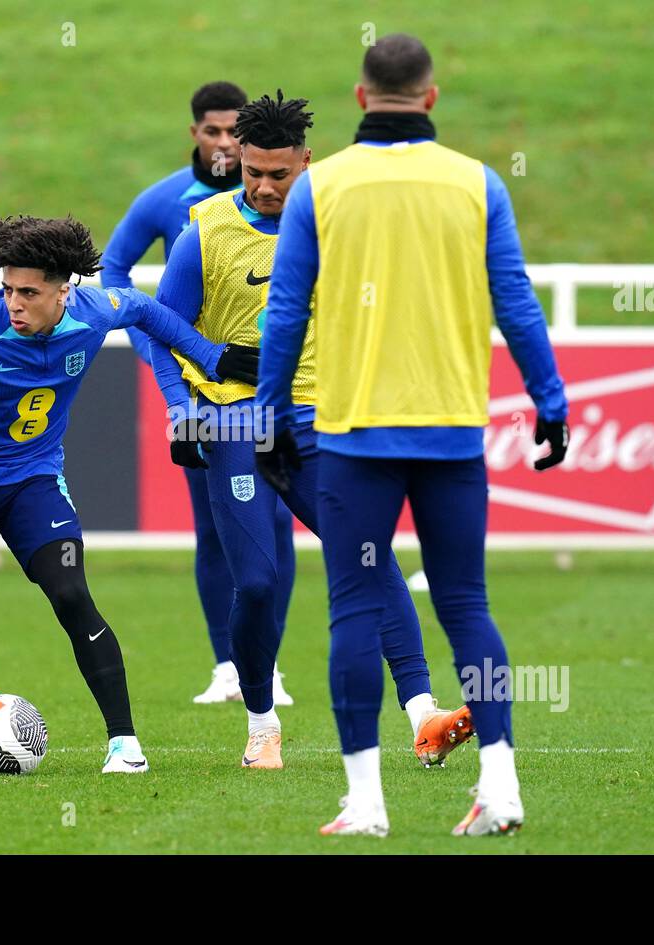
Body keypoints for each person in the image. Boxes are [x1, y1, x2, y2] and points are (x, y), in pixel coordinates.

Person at [256, 36, 569, 836]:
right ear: (431, 98)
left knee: (354, 607)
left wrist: (269, 416)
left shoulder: (319, 188)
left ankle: (365, 804)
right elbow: (516, 300)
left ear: (361, 100)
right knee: (467, 602)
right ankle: (502, 788)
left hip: (355, 435)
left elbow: (286, 312)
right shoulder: (477, 183)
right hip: (453, 431)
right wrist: (551, 401)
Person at [0, 214, 259, 775]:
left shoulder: (95, 311)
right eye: (7, 290)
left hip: (34, 479)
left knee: (72, 595)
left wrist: (210, 356)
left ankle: (124, 744)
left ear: (63, 291)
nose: (14, 303)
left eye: (28, 292)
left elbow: (145, 309)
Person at [151, 91, 474, 773]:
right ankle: (262, 721)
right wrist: (181, 403)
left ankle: (423, 715)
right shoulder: (202, 231)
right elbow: (160, 325)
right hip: (235, 422)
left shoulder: (341, 226)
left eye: (280, 175)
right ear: (236, 161)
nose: (265, 188)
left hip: (321, 426)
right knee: (260, 583)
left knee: (368, 558)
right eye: (252, 173)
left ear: (307, 162)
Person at [101, 81, 296, 705]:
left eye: (231, 133)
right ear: (197, 134)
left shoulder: (300, 208)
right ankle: (225, 665)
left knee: (276, 525)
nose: (221, 143)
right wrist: (160, 349)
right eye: (211, 132)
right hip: (208, 393)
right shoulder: (171, 205)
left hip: (281, 393)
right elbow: (114, 273)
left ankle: (269, 666)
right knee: (215, 529)